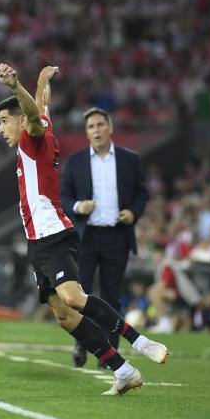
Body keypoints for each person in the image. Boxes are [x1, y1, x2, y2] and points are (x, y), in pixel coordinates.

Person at [0, 62, 168, 396]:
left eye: (4, 121)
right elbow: (41, 109)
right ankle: (124, 370)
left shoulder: (32, 138)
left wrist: (17, 87)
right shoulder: (39, 130)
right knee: (63, 315)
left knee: (73, 298)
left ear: (19, 120)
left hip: (51, 234)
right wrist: (43, 82)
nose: (1, 129)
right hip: (36, 241)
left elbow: (33, 114)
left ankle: (140, 341)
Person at [61, 106, 150, 367]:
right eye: (91, 126)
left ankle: (110, 353)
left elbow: (142, 194)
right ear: (87, 133)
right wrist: (79, 207)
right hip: (86, 237)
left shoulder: (129, 160)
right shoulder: (75, 161)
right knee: (82, 296)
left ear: (110, 128)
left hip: (116, 237)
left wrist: (133, 213)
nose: (96, 130)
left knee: (112, 296)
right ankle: (82, 343)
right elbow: (64, 198)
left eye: (100, 125)